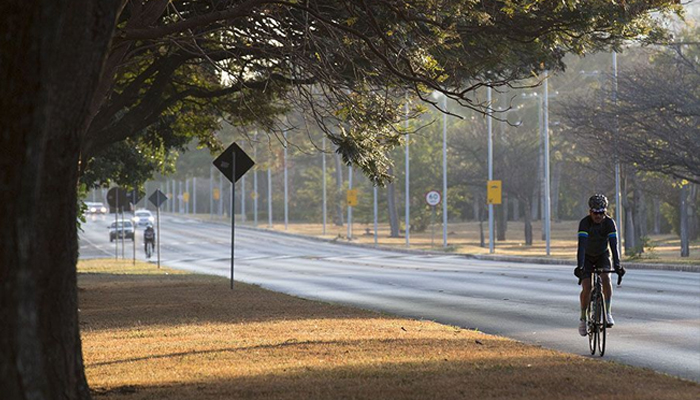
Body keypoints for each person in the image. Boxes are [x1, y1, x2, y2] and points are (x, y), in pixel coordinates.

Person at [574, 194, 626, 336]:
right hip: (587, 256)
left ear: (606, 212)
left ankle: (608, 312)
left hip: (603, 255)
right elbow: (582, 246)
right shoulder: (585, 223)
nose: (598, 216)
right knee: (587, 286)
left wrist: (617, 265)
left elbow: (614, 247)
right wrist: (580, 266)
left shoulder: (609, 223)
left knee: (606, 279)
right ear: (590, 212)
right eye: (596, 213)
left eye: (602, 213)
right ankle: (583, 318)